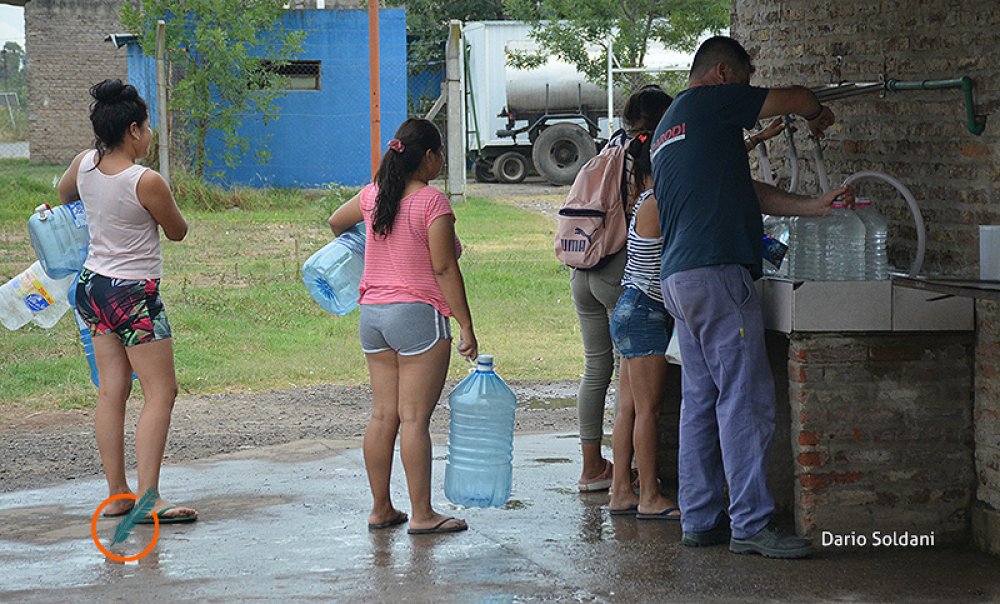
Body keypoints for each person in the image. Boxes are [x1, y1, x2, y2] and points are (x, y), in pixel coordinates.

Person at [650, 36, 853, 558]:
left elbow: (747, 190)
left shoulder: (673, 125)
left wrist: (812, 206)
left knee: (702, 400)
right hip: (718, 275)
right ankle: (752, 524)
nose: (747, 95)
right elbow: (793, 96)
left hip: (681, 280)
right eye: (742, 80)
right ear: (721, 74)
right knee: (746, 400)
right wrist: (816, 111)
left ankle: (699, 518)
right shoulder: (712, 101)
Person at [328, 118, 477, 535]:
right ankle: (423, 515)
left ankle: (381, 509)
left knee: (382, 416)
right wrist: (466, 325)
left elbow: (336, 222)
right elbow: (445, 268)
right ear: (428, 157)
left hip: (372, 316)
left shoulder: (374, 195)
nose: (442, 161)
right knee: (414, 420)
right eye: (441, 154)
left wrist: (364, 248)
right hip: (417, 316)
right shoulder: (432, 203)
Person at [57, 79, 196, 524]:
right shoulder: (146, 180)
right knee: (161, 391)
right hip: (133, 294)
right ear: (133, 130)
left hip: (93, 287)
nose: (150, 135)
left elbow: (65, 195)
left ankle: (118, 493)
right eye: (148, 127)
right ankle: (150, 497)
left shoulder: (84, 164)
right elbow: (177, 231)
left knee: (111, 390)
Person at [572, 85, 672, 492]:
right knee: (631, 386)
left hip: (582, 269)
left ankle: (593, 468)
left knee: (597, 368)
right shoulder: (650, 156)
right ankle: (631, 481)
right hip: (620, 272)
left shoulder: (608, 150)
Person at [607, 132, 681, 519]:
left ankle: (621, 491)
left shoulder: (643, 201)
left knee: (629, 409)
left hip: (630, 308)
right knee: (648, 412)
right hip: (647, 311)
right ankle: (650, 495)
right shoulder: (658, 202)